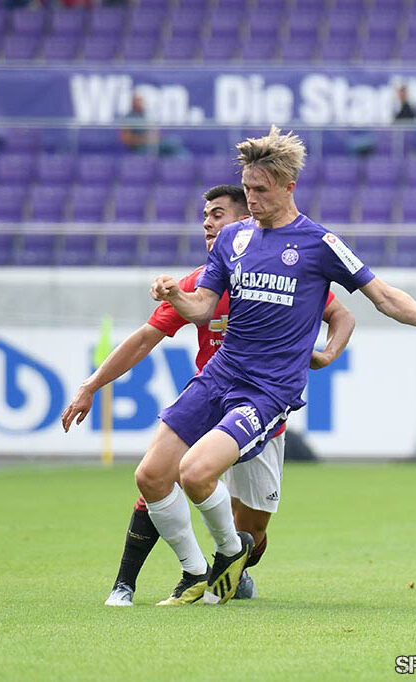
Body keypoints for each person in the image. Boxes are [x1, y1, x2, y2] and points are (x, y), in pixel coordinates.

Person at [141, 125, 416, 605]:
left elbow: (381, 295)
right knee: (151, 474)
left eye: (261, 190)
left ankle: (230, 551)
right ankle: (196, 571)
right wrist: (175, 294)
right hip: (221, 373)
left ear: (288, 186)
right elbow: (203, 308)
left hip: (268, 389)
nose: (252, 199)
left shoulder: (320, 243)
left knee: (194, 474)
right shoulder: (233, 238)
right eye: (248, 188)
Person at [62, 185, 356, 606]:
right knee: (157, 476)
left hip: (262, 409)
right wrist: (91, 385)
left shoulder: (283, 273)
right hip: (212, 398)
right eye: (204, 216)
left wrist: (327, 354)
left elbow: (341, 314)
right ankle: (167, 576)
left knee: (253, 535)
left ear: (245, 222)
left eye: (217, 215)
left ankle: (236, 567)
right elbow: (145, 339)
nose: (206, 224)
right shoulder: (198, 283)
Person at [119, 94, 185, 157]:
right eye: (137, 101)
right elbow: (126, 139)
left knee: (173, 141)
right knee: (149, 148)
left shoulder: (147, 115)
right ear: (132, 103)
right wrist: (144, 140)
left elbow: (156, 132)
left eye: (141, 101)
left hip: (154, 143)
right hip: (140, 146)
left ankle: (184, 162)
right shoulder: (128, 118)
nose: (140, 103)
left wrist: (155, 138)